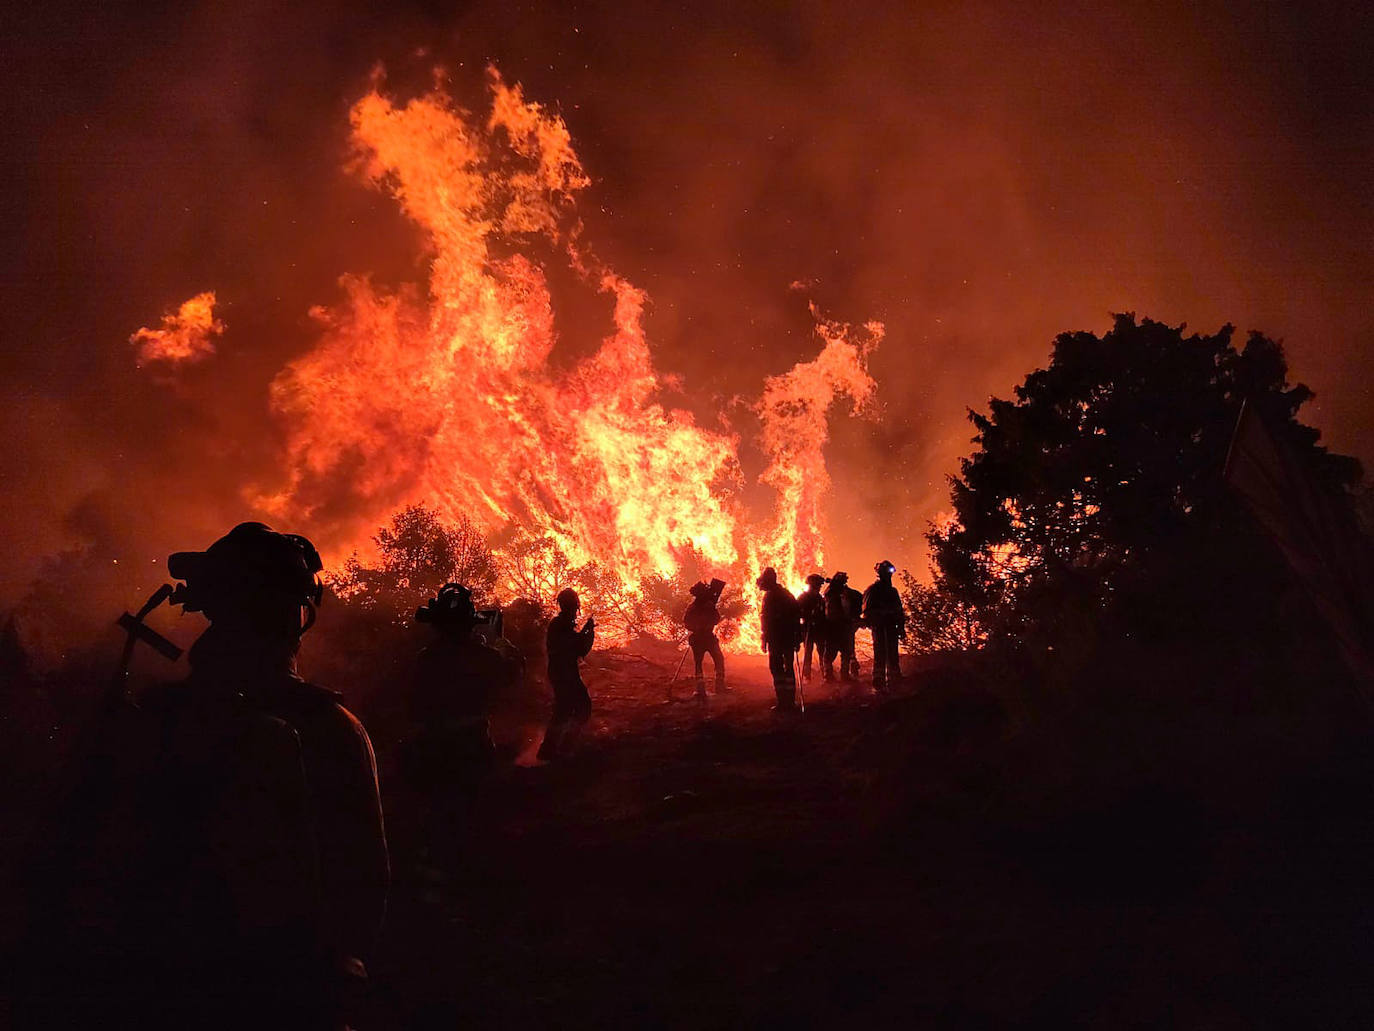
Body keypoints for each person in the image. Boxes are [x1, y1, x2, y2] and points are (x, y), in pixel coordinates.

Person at [26, 522, 388, 1031]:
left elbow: (75, 846)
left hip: (151, 984)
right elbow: (363, 879)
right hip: (268, 991)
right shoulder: (328, 728)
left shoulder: (154, 716)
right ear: (296, 615)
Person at [406, 583, 515, 835]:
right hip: (472, 747)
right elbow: (512, 671)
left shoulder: (425, 659)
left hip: (432, 749)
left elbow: (413, 706)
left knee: (439, 816)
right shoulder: (484, 656)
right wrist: (500, 642)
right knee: (473, 816)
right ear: (469, 624)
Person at [537, 588, 595, 760]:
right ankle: (559, 749)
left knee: (566, 709)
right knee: (578, 708)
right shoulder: (560, 625)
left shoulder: (560, 624)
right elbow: (578, 648)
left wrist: (586, 631)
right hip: (564, 673)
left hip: (562, 672)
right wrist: (588, 632)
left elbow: (576, 646)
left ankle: (553, 749)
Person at [757, 567, 802, 710]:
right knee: (789, 668)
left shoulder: (770, 596)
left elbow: (766, 620)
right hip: (789, 638)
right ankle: (790, 700)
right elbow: (797, 616)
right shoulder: (787, 594)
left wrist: (764, 638)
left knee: (776, 668)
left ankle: (783, 701)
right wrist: (797, 638)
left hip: (776, 638)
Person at [863, 559, 907, 692]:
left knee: (893, 653)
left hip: (891, 626)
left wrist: (901, 627)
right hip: (880, 627)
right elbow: (867, 611)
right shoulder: (873, 590)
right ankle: (879, 681)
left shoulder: (893, 591)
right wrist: (881, 616)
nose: (889, 576)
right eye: (887, 573)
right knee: (880, 653)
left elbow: (899, 611)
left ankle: (894, 679)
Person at [683, 579, 728, 697]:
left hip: (704, 638)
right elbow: (687, 623)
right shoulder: (695, 608)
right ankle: (706, 688)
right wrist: (698, 627)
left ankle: (709, 688)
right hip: (702, 638)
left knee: (712, 661)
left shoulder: (699, 606)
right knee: (711, 661)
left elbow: (716, 619)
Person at [822, 571, 862, 683]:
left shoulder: (840, 593)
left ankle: (841, 675)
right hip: (835, 627)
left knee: (844, 652)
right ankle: (830, 676)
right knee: (833, 653)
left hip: (841, 627)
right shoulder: (832, 593)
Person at [798, 573, 827, 681]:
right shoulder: (803, 597)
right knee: (808, 653)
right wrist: (808, 615)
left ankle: (825, 674)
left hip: (819, 629)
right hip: (808, 628)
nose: (819, 587)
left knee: (822, 652)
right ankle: (807, 676)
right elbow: (797, 613)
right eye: (818, 585)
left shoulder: (820, 598)